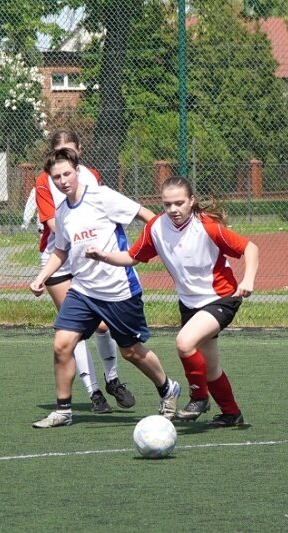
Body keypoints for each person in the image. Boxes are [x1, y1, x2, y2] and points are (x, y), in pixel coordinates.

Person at [86, 177, 258, 428]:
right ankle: (231, 414)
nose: (173, 209)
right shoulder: (156, 227)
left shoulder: (207, 226)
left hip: (221, 297)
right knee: (210, 368)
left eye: (179, 203)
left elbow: (249, 247)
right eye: (167, 204)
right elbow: (132, 257)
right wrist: (103, 256)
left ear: (192, 201)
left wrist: (249, 279)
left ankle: (199, 398)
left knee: (184, 343)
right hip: (190, 304)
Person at [29, 147, 180, 428]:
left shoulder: (102, 196)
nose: (62, 181)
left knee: (131, 351)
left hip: (118, 290)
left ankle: (167, 388)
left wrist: (149, 249)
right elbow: (61, 250)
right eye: (56, 177)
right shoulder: (62, 213)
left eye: (66, 174)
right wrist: (42, 276)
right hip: (83, 291)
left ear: (77, 171)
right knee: (62, 345)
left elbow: (147, 215)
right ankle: (63, 410)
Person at [34, 128, 134, 414]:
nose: (66, 152)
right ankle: (94, 393)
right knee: (72, 330)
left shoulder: (90, 176)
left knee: (103, 325)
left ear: (78, 151)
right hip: (59, 258)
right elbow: (56, 226)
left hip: (90, 257)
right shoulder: (44, 181)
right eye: (60, 148)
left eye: (71, 148)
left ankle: (112, 379)